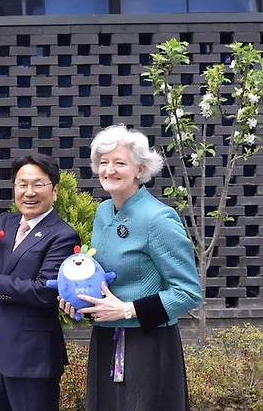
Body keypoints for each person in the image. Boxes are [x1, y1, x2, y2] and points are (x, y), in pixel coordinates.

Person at [60, 124, 201, 411]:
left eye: (119, 162)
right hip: (106, 338)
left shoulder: (158, 218)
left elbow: (188, 293)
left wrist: (127, 309)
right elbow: (105, 278)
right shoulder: (102, 212)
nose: (109, 169)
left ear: (139, 169)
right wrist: (78, 302)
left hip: (148, 345)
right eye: (103, 162)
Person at [0, 139, 80, 411]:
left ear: (54, 191)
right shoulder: (3, 224)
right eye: (22, 184)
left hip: (33, 356)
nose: (29, 192)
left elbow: (45, 291)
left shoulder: (63, 235)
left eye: (38, 184)